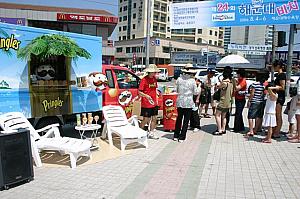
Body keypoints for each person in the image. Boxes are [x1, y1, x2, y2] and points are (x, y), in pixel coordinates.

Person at [174, 64, 200, 142]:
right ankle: (182, 137)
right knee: (186, 120)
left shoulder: (179, 79)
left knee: (179, 118)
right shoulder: (192, 81)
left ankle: (176, 135)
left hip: (180, 100)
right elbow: (195, 92)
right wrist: (199, 87)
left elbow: (177, 90)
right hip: (188, 101)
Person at [139, 64, 160, 139]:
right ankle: (139, 131)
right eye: (153, 72)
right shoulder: (144, 80)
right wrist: (146, 96)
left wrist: (157, 94)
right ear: (149, 72)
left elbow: (155, 89)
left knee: (154, 118)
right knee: (146, 119)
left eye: (155, 72)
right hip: (146, 103)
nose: (155, 73)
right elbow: (140, 92)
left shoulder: (154, 79)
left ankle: (151, 132)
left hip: (154, 102)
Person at [269, 60, 286, 138]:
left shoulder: (282, 75)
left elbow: (283, 87)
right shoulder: (278, 75)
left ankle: (277, 132)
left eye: (274, 66)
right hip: (277, 96)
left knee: (278, 115)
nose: (273, 68)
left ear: (278, 66)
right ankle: (275, 130)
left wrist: (274, 87)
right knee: (276, 114)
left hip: (280, 97)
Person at [214, 68, 234, 135]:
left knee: (217, 115)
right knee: (224, 116)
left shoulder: (224, 83)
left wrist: (218, 84)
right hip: (228, 101)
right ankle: (223, 129)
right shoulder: (231, 82)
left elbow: (218, 87)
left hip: (222, 101)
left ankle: (219, 130)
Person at [246, 72, 265, 137]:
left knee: (250, 116)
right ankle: (255, 130)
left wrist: (249, 101)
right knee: (258, 116)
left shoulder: (254, 84)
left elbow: (252, 94)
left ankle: (251, 131)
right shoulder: (263, 85)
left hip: (254, 101)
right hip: (261, 102)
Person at [288, 78, 300, 143]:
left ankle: (299, 137)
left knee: (299, 119)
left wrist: (299, 100)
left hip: (298, 100)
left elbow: (299, 91)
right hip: (297, 98)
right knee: (297, 118)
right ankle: (297, 135)